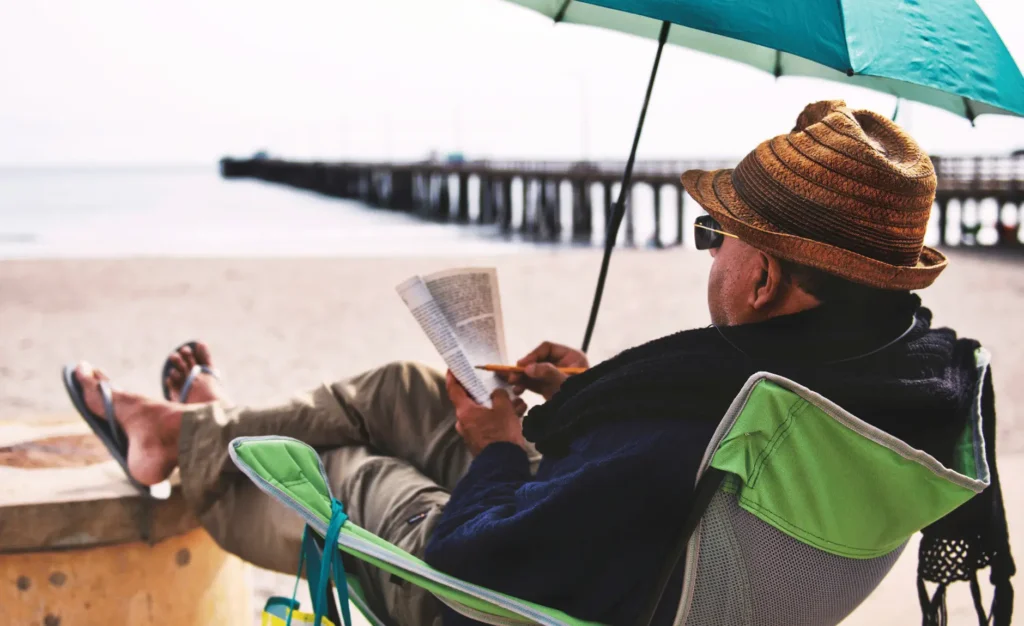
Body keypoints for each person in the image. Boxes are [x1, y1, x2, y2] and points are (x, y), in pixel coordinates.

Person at [64, 100, 1014, 626]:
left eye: (711, 235)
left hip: (496, 600)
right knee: (402, 388)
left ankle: (188, 446)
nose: (709, 253)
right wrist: (596, 395)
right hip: (649, 550)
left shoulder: (704, 423)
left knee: (351, 472)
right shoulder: (887, 383)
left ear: (762, 278)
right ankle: (186, 430)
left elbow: (481, 552)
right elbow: (661, 464)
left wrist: (495, 446)